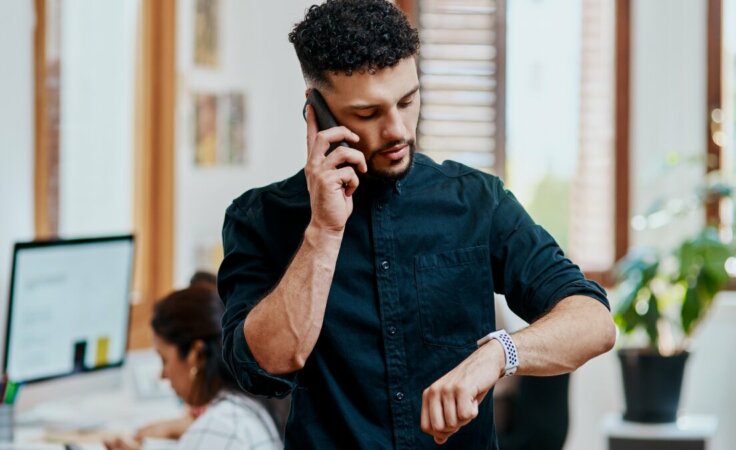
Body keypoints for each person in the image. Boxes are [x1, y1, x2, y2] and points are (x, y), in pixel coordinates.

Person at [217, 1, 616, 448]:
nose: (397, 130)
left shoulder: (477, 202)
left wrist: (497, 355)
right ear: (318, 114)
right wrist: (324, 232)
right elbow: (267, 364)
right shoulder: (259, 219)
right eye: (368, 113)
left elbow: (594, 321)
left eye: (407, 100)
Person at [104, 283, 282, 450]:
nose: (162, 375)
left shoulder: (220, 427)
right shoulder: (253, 406)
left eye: (164, 359)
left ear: (197, 355)